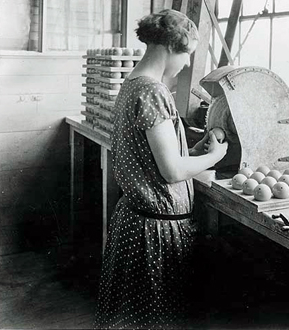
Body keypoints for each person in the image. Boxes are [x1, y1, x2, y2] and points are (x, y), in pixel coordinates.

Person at [94, 9, 228, 329]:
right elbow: (171, 172)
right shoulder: (153, 90)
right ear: (169, 47)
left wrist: (193, 151)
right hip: (151, 234)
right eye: (187, 55)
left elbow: (154, 156)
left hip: (138, 224)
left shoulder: (133, 84)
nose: (185, 65)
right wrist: (216, 156)